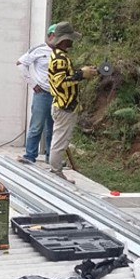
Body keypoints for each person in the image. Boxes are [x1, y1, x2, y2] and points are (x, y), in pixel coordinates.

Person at [47, 22, 97, 182]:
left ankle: (56, 170)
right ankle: (56, 172)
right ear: (64, 40)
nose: (72, 41)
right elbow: (60, 83)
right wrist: (80, 75)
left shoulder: (59, 56)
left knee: (60, 139)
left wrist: (81, 72)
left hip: (63, 105)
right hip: (64, 106)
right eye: (70, 38)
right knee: (60, 141)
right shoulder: (60, 60)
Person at [16, 23, 57, 164]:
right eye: (56, 36)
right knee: (37, 125)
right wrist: (33, 84)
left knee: (53, 128)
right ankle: (30, 155)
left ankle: (51, 157)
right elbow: (20, 63)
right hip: (43, 94)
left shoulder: (61, 53)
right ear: (50, 36)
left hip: (57, 95)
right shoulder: (40, 50)